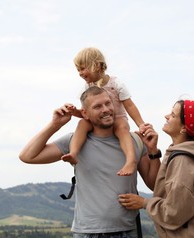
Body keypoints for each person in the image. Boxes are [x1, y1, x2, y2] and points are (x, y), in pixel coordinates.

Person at [19, 86, 161, 238]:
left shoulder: (135, 141)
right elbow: (28, 156)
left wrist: (153, 151)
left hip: (129, 237)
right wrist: (54, 124)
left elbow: (155, 185)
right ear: (85, 114)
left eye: (108, 103)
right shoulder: (75, 142)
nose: (106, 109)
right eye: (98, 106)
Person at [118, 100, 194, 238]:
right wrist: (153, 151)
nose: (166, 116)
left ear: (185, 128)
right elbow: (161, 187)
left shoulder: (183, 160)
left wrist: (144, 203)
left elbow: (175, 211)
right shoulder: (184, 153)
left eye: (172, 115)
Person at [61, 47, 146, 176]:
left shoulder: (116, 83)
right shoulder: (87, 88)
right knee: (82, 124)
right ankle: (73, 152)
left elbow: (130, 106)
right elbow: (86, 114)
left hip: (117, 118)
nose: (80, 73)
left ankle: (131, 160)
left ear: (96, 65)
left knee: (122, 127)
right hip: (98, 122)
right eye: (78, 70)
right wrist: (74, 112)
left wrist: (141, 124)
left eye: (83, 68)